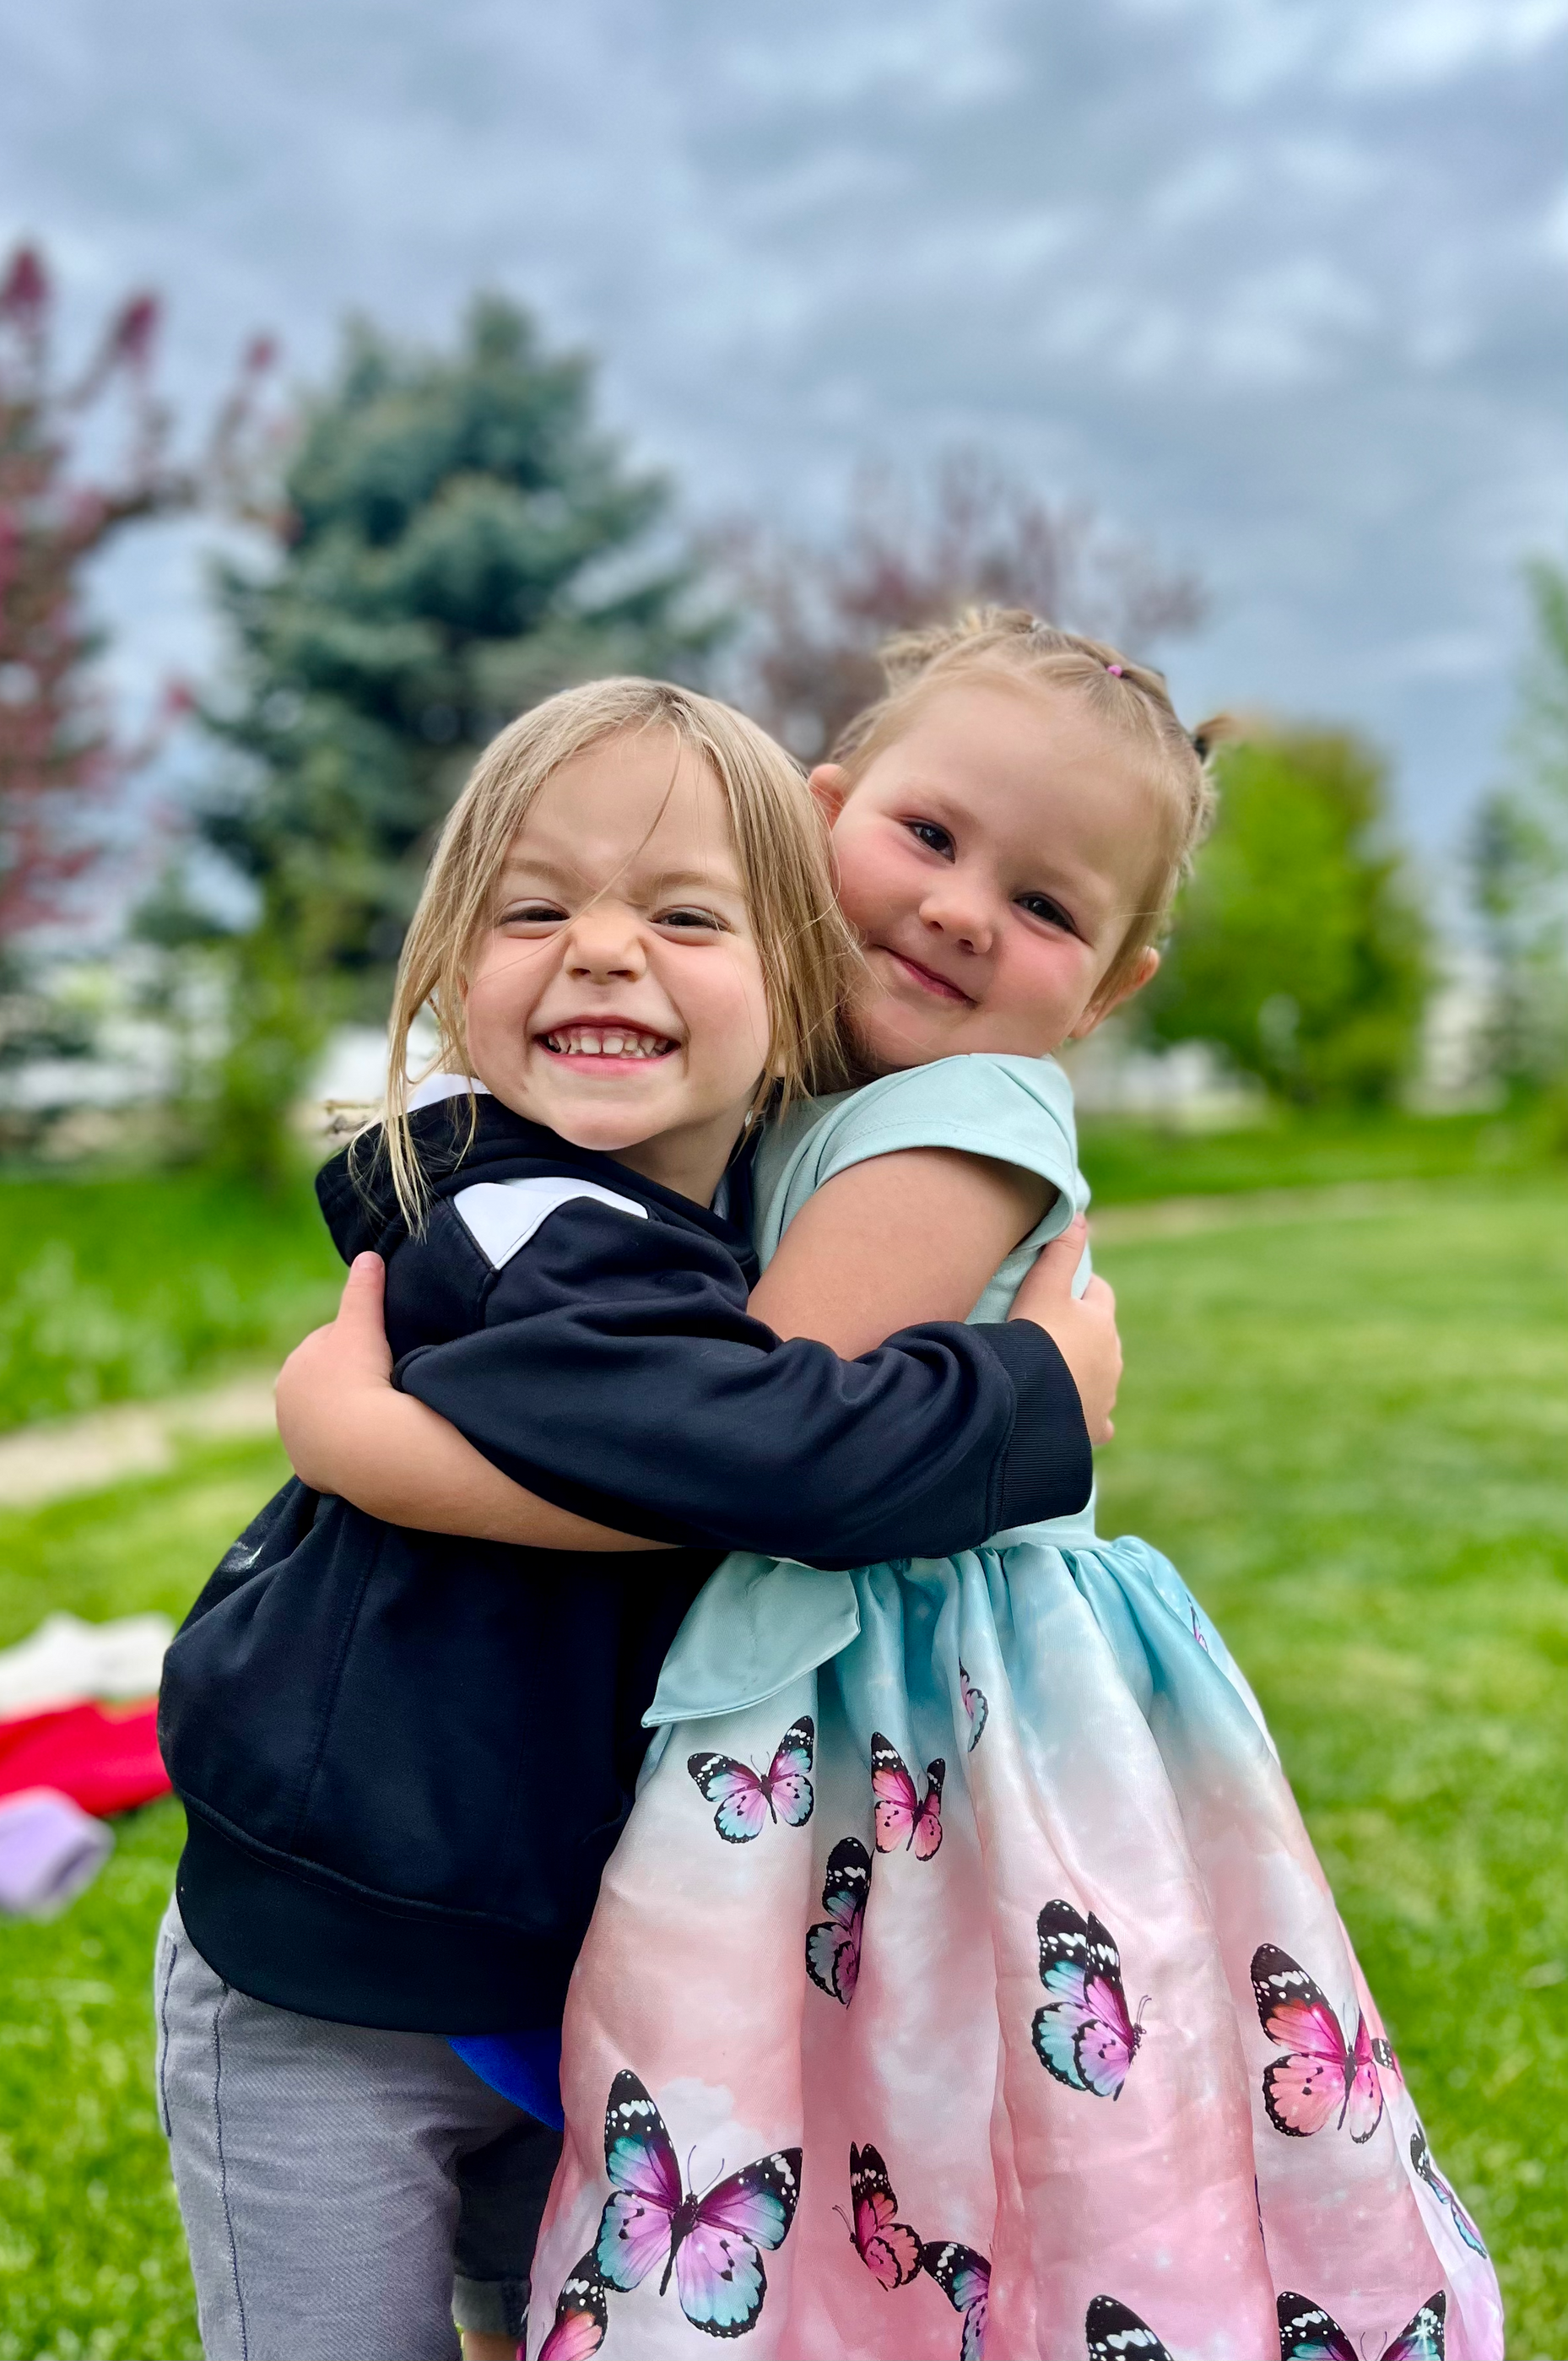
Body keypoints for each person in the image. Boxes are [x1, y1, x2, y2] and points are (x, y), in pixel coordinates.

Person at [289, 615, 1504, 2360]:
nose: (956, 910)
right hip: (824, 1687)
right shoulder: (764, 1075)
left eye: (1044, 907)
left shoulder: (967, 1117)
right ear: (819, 813)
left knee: (899, 2119)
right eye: (929, 841)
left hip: (922, 1713)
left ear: (1107, 991)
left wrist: (369, 1445)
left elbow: (737, 1453)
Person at [156, 674, 1117, 2361]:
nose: (603, 949)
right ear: (456, 964)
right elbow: (769, 1454)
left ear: (795, 971)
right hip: (335, 1974)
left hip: (562, 1950)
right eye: (536, 910)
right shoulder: (514, 1220)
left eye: (683, 915)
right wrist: (1033, 1398)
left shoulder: (709, 1225)